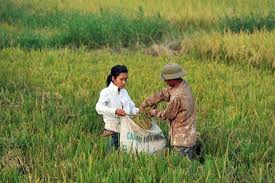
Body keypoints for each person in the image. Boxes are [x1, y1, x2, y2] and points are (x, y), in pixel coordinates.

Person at [140, 63, 197, 159]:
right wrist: (146, 103)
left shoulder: (178, 96)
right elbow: (163, 94)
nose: (165, 81)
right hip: (188, 134)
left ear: (174, 78)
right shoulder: (182, 84)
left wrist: (154, 112)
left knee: (180, 166)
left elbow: (168, 115)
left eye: (167, 79)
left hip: (182, 139)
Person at [95, 65, 139, 150]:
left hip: (125, 132)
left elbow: (131, 109)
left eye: (125, 80)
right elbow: (98, 107)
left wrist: (143, 111)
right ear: (113, 78)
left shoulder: (124, 92)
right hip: (112, 133)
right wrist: (115, 111)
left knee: (124, 158)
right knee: (112, 159)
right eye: (121, 79)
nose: (124, 82)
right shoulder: (106, 92)